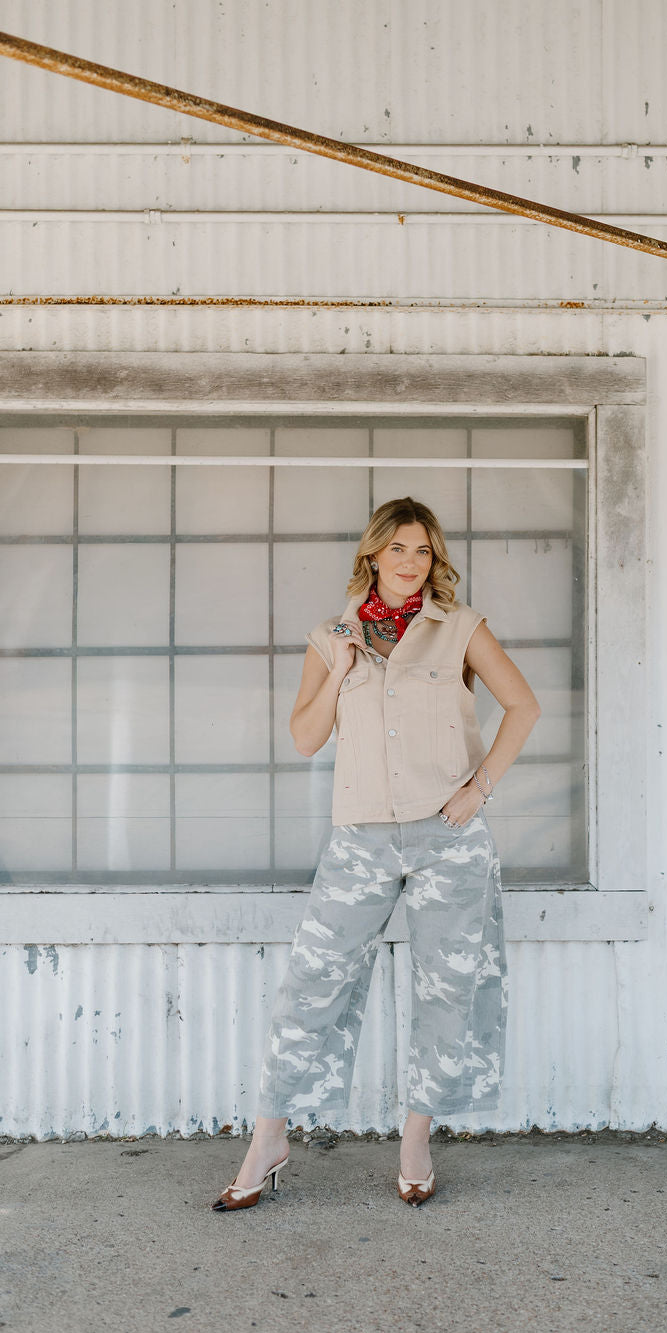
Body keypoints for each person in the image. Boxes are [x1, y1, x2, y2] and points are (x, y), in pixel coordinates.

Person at [212, 496, 540, 1210]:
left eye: (423, 551)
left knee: (448, 992)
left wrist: (477, 789)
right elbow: (304, 738)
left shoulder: (458, 630)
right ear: (373, 555)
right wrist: (340, 668)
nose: (410, 563)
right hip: (359, 837)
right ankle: (269, 1138)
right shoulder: (331, 636)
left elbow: (524, 706)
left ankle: (416, 1140)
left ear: (434, 560)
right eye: (398, 549)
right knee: (312, 986)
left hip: (445, 838)